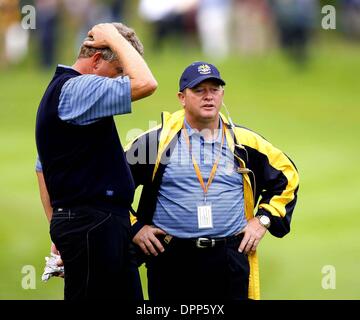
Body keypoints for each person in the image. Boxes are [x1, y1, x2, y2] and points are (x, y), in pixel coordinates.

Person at [125, 61, 299, 300]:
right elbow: (107, 184)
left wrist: (263, 220)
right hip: (171, 258)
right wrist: (134, 227)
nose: (208, 97)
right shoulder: (155, 142)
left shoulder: (245, 141)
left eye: (214, 89)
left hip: (229, 258)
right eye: (199, 90)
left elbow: (287, 176)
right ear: (181, 98)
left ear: (222, 94)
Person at [35, 22, 157, 300]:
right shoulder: (79, 88)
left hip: (93, 225)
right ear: (97, 59)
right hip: (93, 226)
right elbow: (146, 84)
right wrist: (113, 37)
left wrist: (57, 225)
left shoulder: (65, 93)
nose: (118, 82)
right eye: (117, 74)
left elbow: (41, 167)